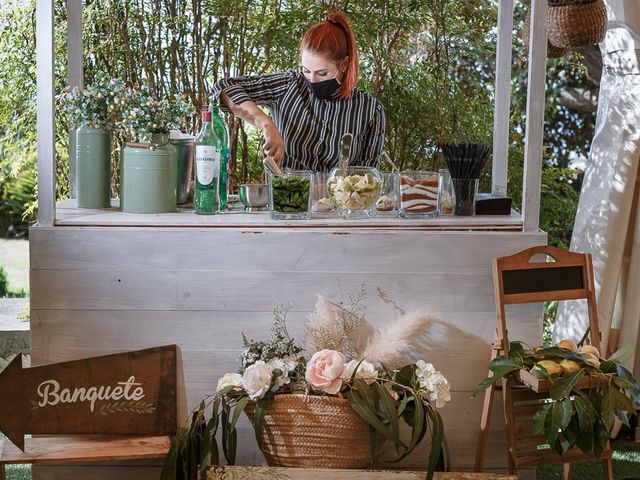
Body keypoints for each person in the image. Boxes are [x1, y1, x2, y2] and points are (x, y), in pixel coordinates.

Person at [212, 11, 385, 172]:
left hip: (337, 204)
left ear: (345, 64)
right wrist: (266, 124)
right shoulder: (288, 84)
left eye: (322, 73)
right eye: (306, 70)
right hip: (284, 201)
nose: (312, 79)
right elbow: (225, 87)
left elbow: (368, 177)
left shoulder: (370, 110)